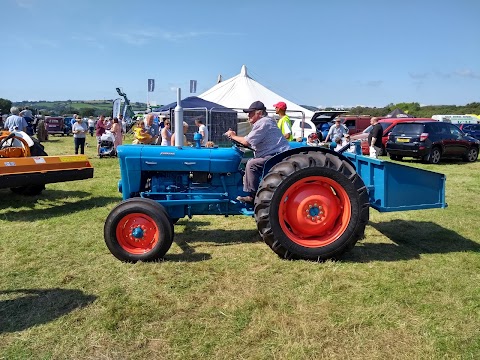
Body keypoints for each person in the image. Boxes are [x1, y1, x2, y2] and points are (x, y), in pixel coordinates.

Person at [224, 101, 290, 204]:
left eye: (251, 113)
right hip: (274, 154)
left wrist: (232, 135)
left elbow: (246, 141)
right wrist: (235, 138)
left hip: (275, 156)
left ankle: (252, 197)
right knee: (249, 163)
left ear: (258, 113)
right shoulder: (266, 122)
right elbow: (249, 142)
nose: (248, 115)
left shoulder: (263, 122)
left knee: (252, 164)